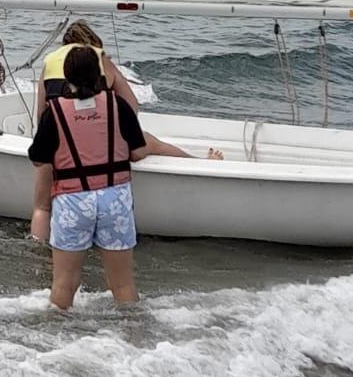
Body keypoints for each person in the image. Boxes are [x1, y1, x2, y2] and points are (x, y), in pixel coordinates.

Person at [28, 46, 219, 312]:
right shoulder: (117, 106)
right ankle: (133, 330)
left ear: (67, 76)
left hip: (73, 201)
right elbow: (138, 150)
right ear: (99, 75)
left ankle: (55, 332)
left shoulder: (55, 112)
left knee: (64, 285)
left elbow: (38, 159)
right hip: (114, 199)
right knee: (122, 285)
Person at [39, 18, 215, 161]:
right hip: (103, 148)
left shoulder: (49, 63)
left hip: (62, 147)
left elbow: (41, 115)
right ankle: (200, 162)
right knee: (149, 141)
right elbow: (132, 107)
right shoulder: (101, 60)